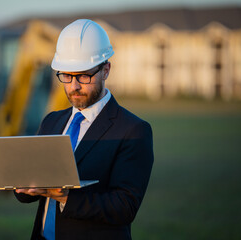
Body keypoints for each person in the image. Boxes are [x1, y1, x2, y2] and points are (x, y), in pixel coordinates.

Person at [14, 19, 154, 240]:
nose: (74, 86)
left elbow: (125, 207)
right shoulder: (51, 121)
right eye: (67, 76)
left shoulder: (133, 130)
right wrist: (22, 185)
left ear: (106, 70)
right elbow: (31, 193)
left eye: (84, 75)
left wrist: (66, 197)